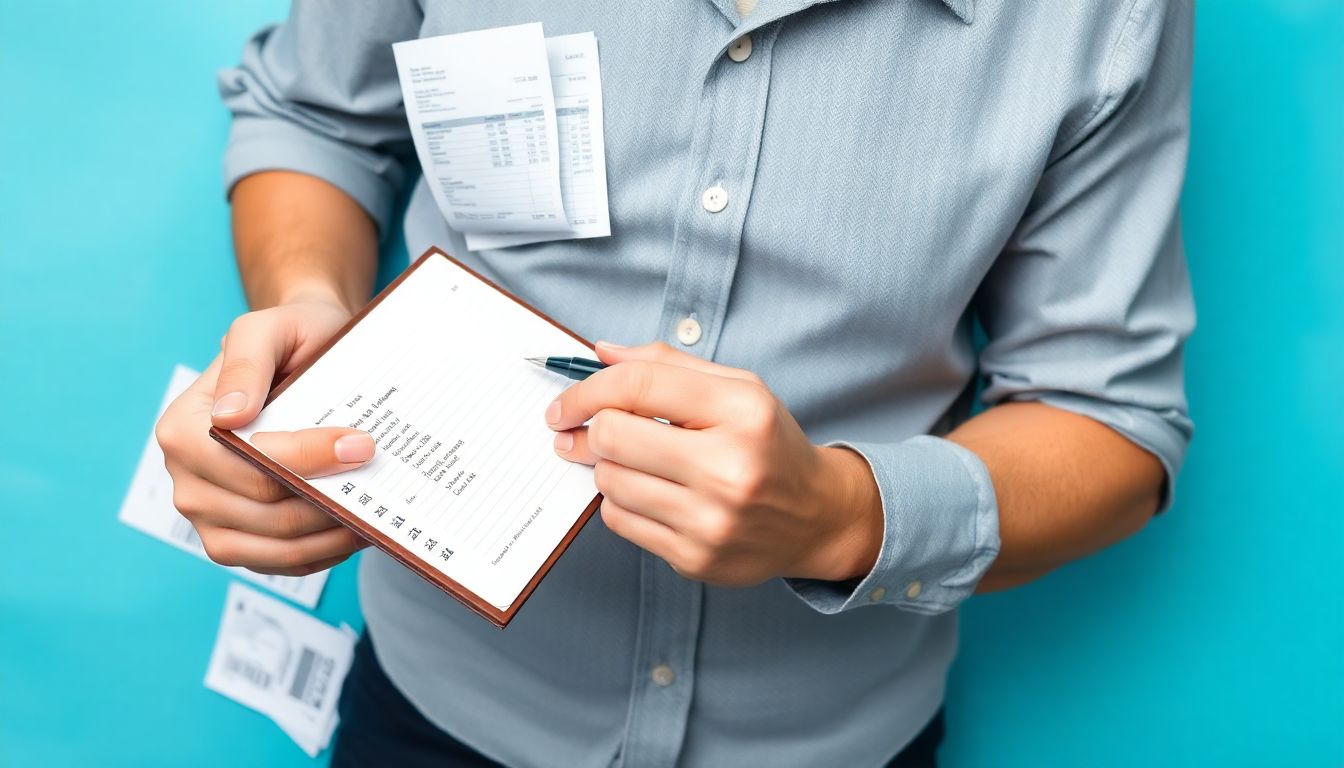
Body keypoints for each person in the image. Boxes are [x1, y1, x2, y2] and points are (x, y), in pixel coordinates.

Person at [155, 1, 1195, 765]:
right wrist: (314, 324)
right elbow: (316, 118)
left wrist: (836, 515)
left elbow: (1107, 414)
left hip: (834, 739)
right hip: (436, 706)